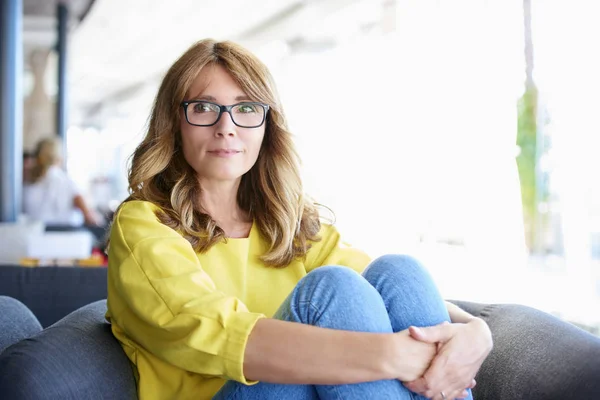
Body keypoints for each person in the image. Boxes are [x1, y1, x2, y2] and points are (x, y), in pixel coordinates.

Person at [105, 39, 493, 400]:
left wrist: (473, 330)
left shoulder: (282, 221)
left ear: (265, 126)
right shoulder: (142, 224)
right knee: (331, 289)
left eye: (246, 109)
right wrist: (392, 355)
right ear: (174, 122)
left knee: (399, 271)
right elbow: (217, 334)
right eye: (204, 108)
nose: (227, 127)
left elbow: (376, 282)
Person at [22, 137, 100, 227]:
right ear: (59, 157)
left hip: (33, 235)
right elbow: (89, 217)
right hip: (64, 235)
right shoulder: (66, 182)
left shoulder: (26, 183)